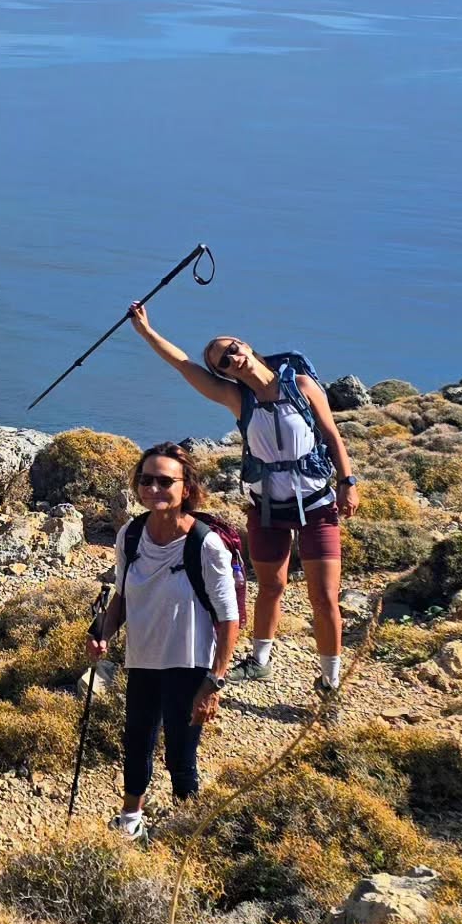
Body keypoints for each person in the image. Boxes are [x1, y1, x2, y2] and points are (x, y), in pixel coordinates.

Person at [128, 304, 360, 702]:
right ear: (225, 373)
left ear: (247, 347)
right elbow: (184, 365)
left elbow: (332, 435)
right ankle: (259, 660)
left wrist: (348, 482)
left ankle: (330, 683)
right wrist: (146, 331)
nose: (232, 357)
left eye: (232, 348)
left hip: (318, 504)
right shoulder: (239, 401)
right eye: (223, 361)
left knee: (323, 598)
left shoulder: (302, 386)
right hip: (268, 509)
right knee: (271, 586)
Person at [87, 444, 239, 839]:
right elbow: (121, 594)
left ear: (186, 487)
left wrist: (214, 683)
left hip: (189, 664)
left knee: (181, 755)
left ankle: (189, 834)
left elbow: (228, 619)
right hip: (142, 659)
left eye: (165, 481)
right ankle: (131, 820)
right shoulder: (131, 534)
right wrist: (102, 632)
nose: (154, 488)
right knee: (136, 740)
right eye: (146, 480)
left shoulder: (205, 545)